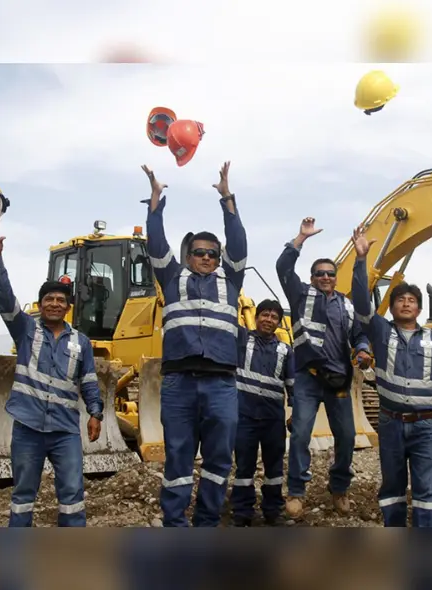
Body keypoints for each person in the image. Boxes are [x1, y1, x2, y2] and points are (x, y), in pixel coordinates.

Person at [142, 161, 248, 527]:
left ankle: (206, 524)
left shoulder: (230, 281)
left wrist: (227, 199)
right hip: (179, 384)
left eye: (212, 254)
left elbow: (238, 243)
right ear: (188, 256)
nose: (206, 258)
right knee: (178, 458)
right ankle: (175, 524)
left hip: (221, 385)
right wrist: (155, 203)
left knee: (219, 460)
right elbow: (156, 242)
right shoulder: (172, 277)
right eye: (199, 252)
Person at [0, 233, 103, 527]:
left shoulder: (81, 342)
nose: (54, 304)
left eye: (60, 300)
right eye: (49, 299)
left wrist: (95, 412)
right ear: (41, 305)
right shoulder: (26, 330)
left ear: (68, 307)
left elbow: (89, 381)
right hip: (28, 429)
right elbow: (5, 299)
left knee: (72, 495)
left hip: (65, 432)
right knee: (23, 496)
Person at [349, 225, 432, 527]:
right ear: (392, 306)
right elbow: (361, 303)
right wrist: (361, 260)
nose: (406, 303)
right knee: (393, 487)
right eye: (400, 299)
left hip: (425, 426)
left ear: (419, 309)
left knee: (427, 490)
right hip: (391, 423)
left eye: (411, 300)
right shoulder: (381, 331)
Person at [276, 216, 373, 518]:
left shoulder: (346, 305)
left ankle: (339, 487)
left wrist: (363, 350)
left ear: (335, 277)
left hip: (338, 379)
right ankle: (296, 491)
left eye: (330, 273)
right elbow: (283, 268)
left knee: (346, 437)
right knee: (300, 434)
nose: (326, 277)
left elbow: (359, 334)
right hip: (308, 378)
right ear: (312, 277)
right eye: (320, 273)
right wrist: (300, 239)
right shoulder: (300, 294)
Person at [230, 299, 295, 526]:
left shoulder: (285, 351)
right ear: (256, 318)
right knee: (244, 466)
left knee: (274, 468)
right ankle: (242, 511)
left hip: (272, 419)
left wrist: (296, 414)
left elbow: (293, 386)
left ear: (279, 322)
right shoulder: (242, 340)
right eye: (265, 315)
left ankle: (273, 510)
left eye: (274, 317)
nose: (269, 320)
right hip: (244, 416)